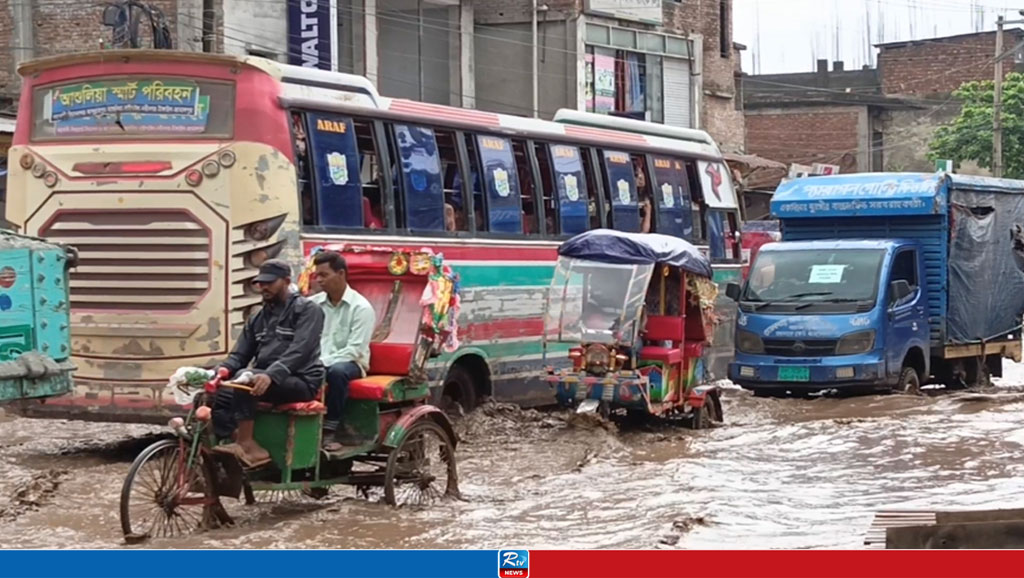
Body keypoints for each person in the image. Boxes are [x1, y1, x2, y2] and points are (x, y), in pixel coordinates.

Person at [212, 259, 326, 467]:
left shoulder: (308, 310)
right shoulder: (258, 317)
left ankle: (248, 446)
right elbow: (240, 354)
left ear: (286, 281)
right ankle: (234, 441)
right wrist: (223, 369)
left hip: (301, 380)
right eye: (260, 283)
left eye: (269, 282)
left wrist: (272, 374)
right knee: (217, 393)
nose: (263, 287)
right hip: (263, 378)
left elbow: (300, 350)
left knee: (245, 384)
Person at [310, 250, 377, 450]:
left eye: (324, 275)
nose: (319, 280)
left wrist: (322, 362)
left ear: (340, 274)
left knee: (337, 372)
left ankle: (331, 429)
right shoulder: (313, 305)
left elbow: (354, 350)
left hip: (352, 363)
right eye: (317, 275)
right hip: (318, 361)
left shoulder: (361, 308)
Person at [634, 159, 653, 234]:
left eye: (642, 172)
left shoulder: (649, 197)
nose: (640, 176)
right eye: (636, 174)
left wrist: (648, 212)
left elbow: (644, 231)